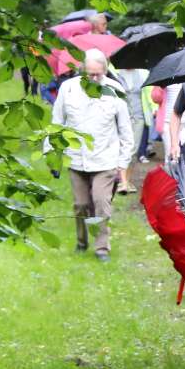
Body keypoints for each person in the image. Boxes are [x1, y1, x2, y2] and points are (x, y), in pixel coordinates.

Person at [50, 50, 131, 263]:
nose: (94, 78)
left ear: (105, 71)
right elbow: (57, 123)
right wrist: (52, 154)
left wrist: (122, 163)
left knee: (101, 202)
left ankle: (102, 247)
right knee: (81, 205)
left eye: (98, 74)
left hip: (105, 159)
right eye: (90, 74)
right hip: (76, 158)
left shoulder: (115, 91)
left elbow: (126, 130)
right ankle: (81, 241)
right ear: (83, 71)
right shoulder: (68, 89)